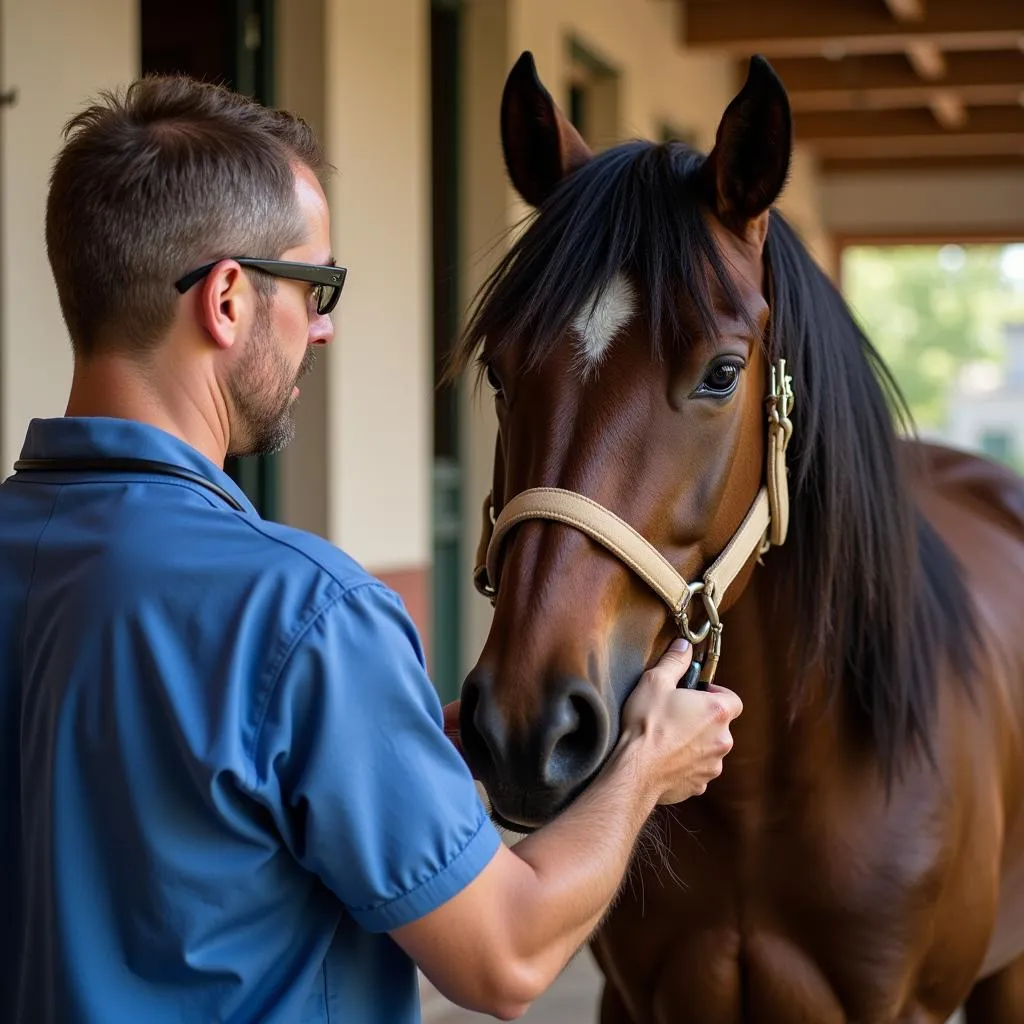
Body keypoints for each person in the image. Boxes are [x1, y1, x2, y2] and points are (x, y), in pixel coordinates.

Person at [0, 76, 743, 1024]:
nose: (325, 326)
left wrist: (356, 751)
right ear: (227, 299)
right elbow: (506, 959)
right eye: (316, 286)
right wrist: (646, 761)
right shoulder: (306, 617)